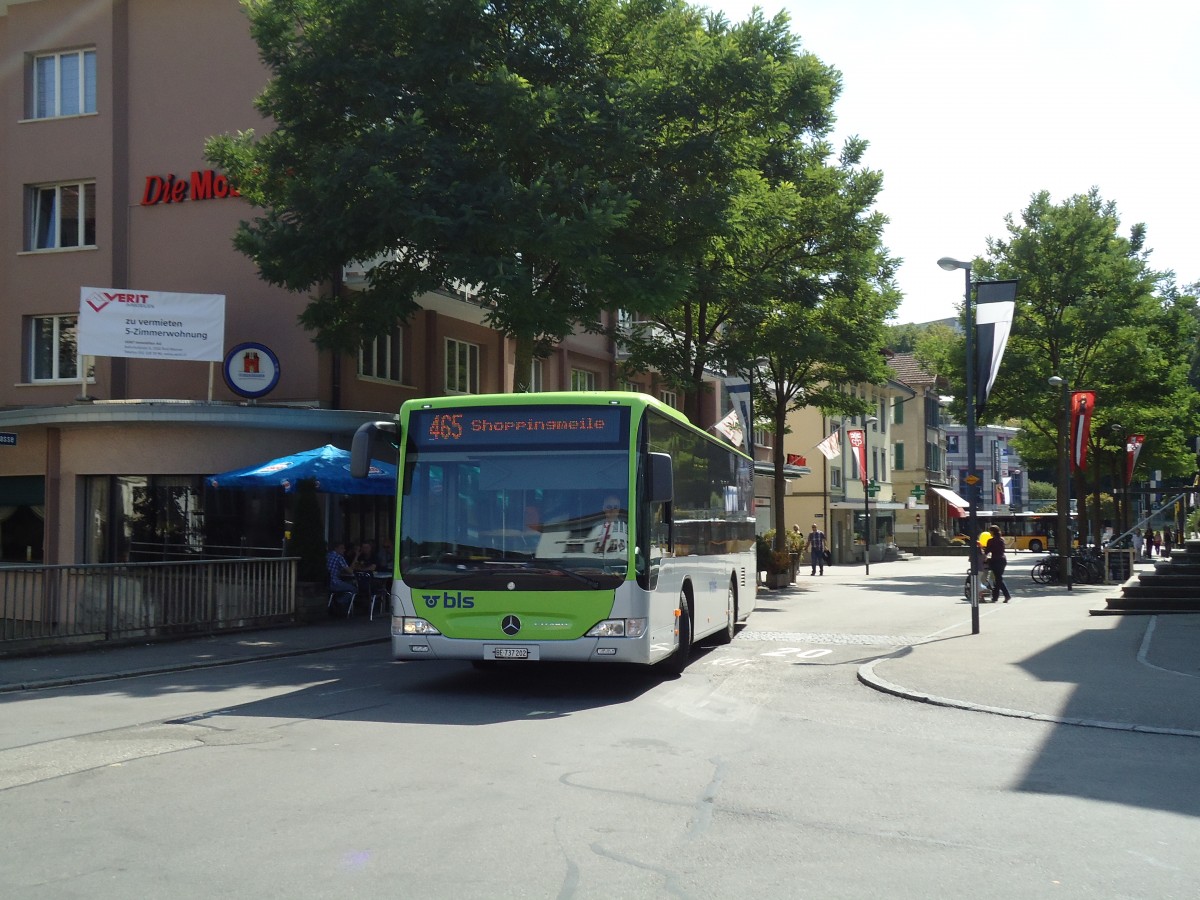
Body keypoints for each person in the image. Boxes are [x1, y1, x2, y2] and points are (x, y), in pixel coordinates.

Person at [983, 524, 1012, 603]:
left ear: (992, 532)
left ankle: (1005, 596)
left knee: (998, 579)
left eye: (990, 531)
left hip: (995, 560)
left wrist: (983, 551)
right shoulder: (1001, 539)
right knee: (998, 579)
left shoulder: (991, 541)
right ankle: (996, 597)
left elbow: (987, 551)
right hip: (1002, 560)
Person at [326, 541, 357, 610]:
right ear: (336, 549)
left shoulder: (328, 555)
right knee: (354, 589)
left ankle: (335, 604)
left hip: (327, 582)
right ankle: (340, 602)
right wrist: (356, 556)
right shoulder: (339, 557)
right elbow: (350, 571)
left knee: (347, 584)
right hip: (334, 583)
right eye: (342, 548)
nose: (344, 550)